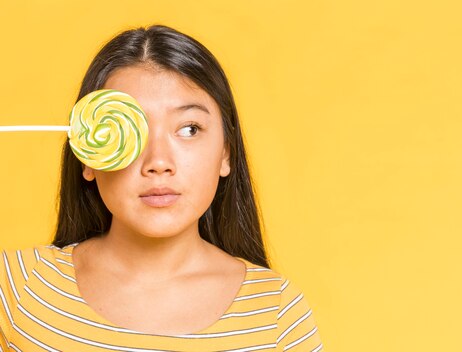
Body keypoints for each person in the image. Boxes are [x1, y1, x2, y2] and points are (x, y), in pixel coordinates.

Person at [0, 24, 323, 351]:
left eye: (189, 129)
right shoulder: (15, 285)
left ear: (226, 153)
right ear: (89, 155)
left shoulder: (277, 314)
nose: (158, 161)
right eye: (129, 128)